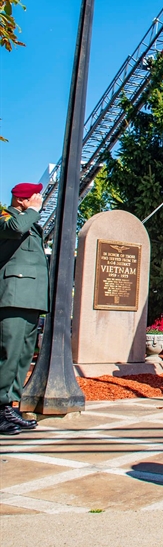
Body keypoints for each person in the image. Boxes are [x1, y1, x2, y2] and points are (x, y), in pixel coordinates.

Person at [0, 183, 49, 436]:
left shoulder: (31, 223)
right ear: (20, 200)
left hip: (30, 298)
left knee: (21, 357)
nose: (39, 199)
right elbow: (15, 228)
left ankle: (9, 408)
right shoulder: (7, 218)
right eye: (34, 196)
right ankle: (0, 410)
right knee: (9, 354)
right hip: (13, 297)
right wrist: (34, 211)